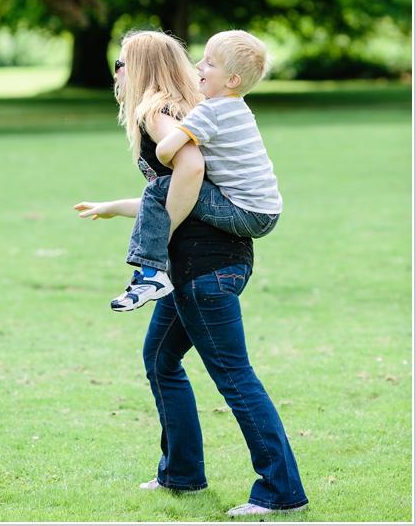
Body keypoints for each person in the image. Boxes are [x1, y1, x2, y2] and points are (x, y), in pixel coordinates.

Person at [74, 30, 308, 517]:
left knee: (235, 378)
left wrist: (154, 242)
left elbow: (189, 168)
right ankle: (181, 475)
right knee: (160, 359)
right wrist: (115, 208)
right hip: (208, 264)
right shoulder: (186, 109)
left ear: (141, 67)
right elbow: (176, 195)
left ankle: (281, 491)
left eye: (122, 62)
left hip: (206, 272)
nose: (115, 71)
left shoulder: (157, 110)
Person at [110, 29, 283, 311]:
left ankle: (149, 272)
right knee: (159, 357)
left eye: (209, 62)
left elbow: (184, 163)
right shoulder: (235, 108)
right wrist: (114, 207)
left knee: (158, 188)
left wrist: (163, 152)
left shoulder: (203, 111)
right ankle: (151, 272)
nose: (198, 67)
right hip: (264, 212)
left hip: (231, 229)